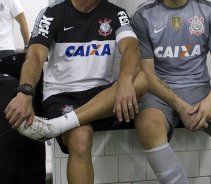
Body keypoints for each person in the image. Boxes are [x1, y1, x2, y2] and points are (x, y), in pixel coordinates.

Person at [4, 0, 148, 183]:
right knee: (80, 136)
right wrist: (25, 92)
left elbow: (130, 48)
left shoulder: (116, 13)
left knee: (141, 79)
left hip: (100, 96)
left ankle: (57, 126)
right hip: (61, 96)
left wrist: (126, 81)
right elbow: (35, 56)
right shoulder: (52, 13)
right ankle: (65, 122)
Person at [128, 0, 211, 183]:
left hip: (200, 90)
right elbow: (147, 75)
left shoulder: (209, 10)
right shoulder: (142, 15)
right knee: (147, 124)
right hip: (159, 95)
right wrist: (180, 106)